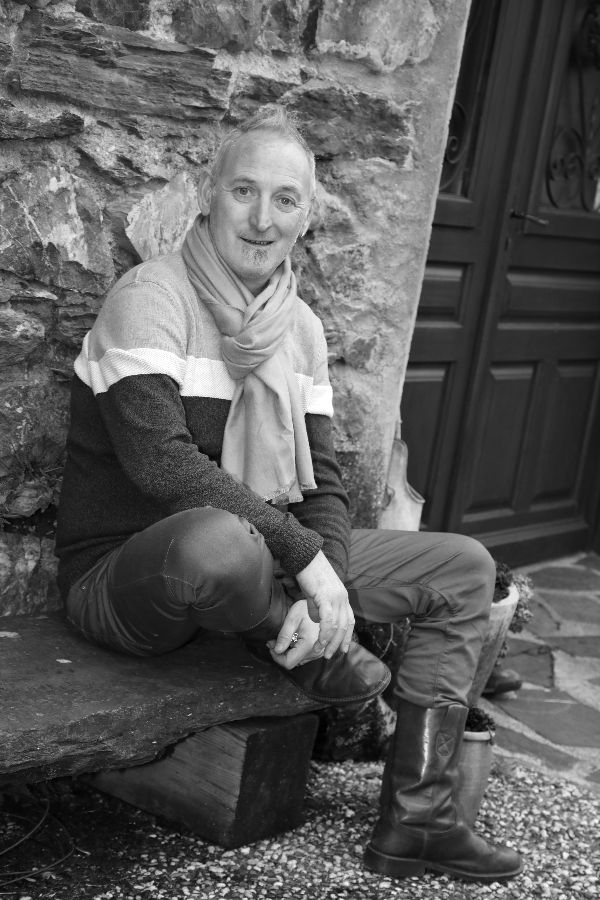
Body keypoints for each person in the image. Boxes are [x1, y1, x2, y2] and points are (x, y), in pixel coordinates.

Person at [55, 105, 523, 883]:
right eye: (244, 192)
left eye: (285, 200)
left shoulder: (300, 328)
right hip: (130, 575)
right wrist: (304, 563)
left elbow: (324, 484)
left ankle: (421, 820)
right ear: (210, 194)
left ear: (306, 218)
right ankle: (292, 642)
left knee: (463, 568)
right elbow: (161, 468)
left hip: (263, 563)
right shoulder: (150, 298)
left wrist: (324, 575)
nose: (262, 219)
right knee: (218, 539)